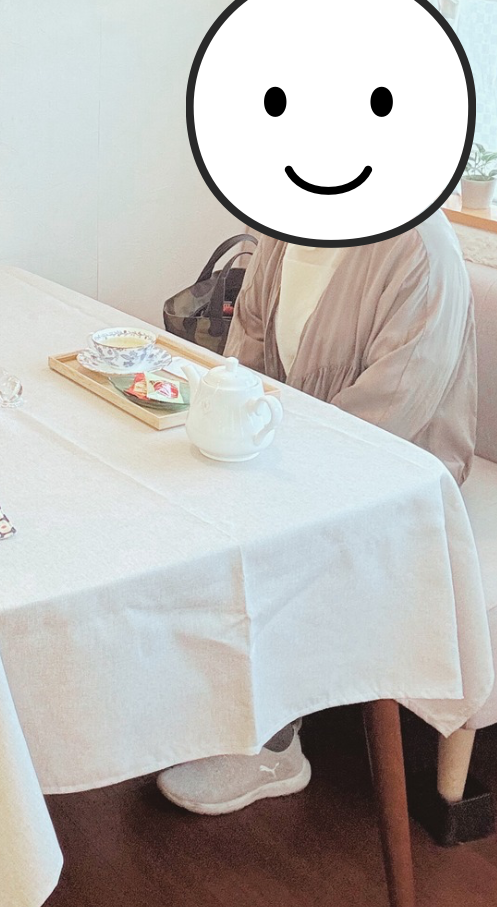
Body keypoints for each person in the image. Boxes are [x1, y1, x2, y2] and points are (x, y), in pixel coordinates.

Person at [157, 212, 477, 815]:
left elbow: (391, 413)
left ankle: (272, 743)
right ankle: (208, 707)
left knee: (268, 534)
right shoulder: (284, 227)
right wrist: (240, 431)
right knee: (181, 494)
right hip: (291, 446)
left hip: (399, 474)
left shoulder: (420, 250)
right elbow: (247, 349)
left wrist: (279, 471)